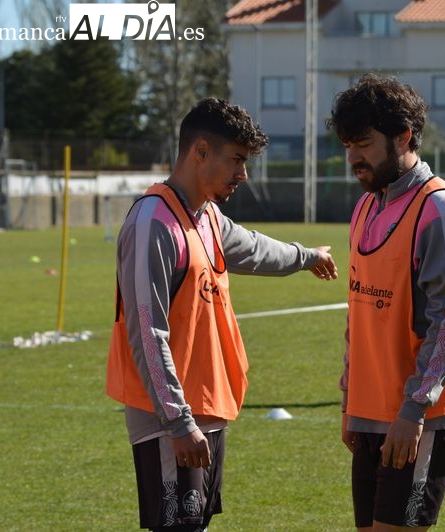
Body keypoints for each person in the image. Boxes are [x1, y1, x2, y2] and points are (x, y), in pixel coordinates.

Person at [106, 97, 338, 531]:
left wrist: (306, 256)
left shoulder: (207, 216)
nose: (243, 174)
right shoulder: (153, 223)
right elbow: (147, 332)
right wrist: (177, 421)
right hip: (170, 419)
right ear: (199, 152)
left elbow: (255, 248)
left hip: (204, 409)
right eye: (236, 160)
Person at [327, 73, 445, 531]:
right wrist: (350, 401)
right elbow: (358, 313)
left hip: (423, 416)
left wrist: (413, 409)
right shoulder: (365, 205)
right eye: (347, 145)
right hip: (371, 412)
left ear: (404, 136)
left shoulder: (440, 208)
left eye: (364, 144)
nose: (353, 157)